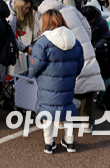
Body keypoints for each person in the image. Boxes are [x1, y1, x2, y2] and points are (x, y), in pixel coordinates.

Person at [37, 0, 104, 133]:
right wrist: (86, 42)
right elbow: (87, 28)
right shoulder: (72, 10)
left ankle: (60, 120)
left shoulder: (46, 17)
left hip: (63, 55)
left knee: (61, 87)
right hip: (84, 48)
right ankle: (86, 123)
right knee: (88, 86)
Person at [28, 9, 84, 154]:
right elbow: (80, 64)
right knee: (67, 109)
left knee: (48, 111)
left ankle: (49, 143)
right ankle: (70, 141)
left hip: (48, 84)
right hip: (68, 83)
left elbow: (36, 66)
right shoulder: (75, 41)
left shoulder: (42, 42)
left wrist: (31, 74)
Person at [7, 0, 41, 74]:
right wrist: (26, 49)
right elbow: (12, 39)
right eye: (26, 8)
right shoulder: (12, 18)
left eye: (29, 8)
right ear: (19, 6)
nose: (27, 11)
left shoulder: (12, 8)